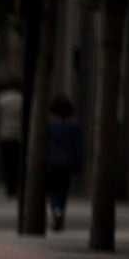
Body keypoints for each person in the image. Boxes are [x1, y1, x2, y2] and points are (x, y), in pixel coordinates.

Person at [44, 94, 84, 231]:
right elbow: (79, 147)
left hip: (52, 162)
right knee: (63, 190)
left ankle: (56, 210)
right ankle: (60, 211)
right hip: (67, 163)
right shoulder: (74, 127)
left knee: (53, 190)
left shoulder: (49, 127)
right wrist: (77, 165)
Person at [0, 84, 23, 198]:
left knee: (7, 162)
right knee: (17, 162)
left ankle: (10, 187)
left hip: (5, 134)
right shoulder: (21, 98)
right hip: (18, 134)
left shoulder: (1, 98)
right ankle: (15, 185)